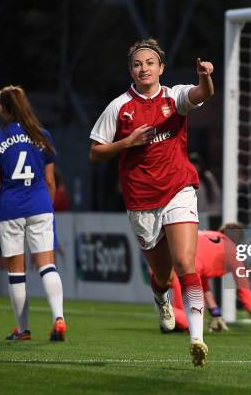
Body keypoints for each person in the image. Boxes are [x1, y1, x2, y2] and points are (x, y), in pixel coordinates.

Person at [89, 38, 214, 366]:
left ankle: (197, 339)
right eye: (137, 64)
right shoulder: (119, 107)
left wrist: (205, 77)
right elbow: (95, 152)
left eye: (149, 63)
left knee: (186, 263)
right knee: (162, 275)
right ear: (131, 70)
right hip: (141, 200)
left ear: (161, 68)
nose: (143, 68)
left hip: (179, 189)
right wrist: (127, 142)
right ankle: (161, 298)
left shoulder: (174, 97)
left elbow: (203, 94)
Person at [0, 85, 66, 342]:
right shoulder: (43, 136)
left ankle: (23, 330)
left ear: (4, 108)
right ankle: (58, 318)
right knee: (47, 265)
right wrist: (47, 208)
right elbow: (51, 181)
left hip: (10, 209)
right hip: (40, 204)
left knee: (16, 273)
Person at [160, 223, 251, 335]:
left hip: (172, 264)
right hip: (184, 271)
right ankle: (164, 305)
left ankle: (171, 322)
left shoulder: (208, 235)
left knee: (190, 319)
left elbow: (202, 280)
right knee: (192, 322)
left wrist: (215, 313)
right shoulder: (232, 252)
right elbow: (244, 291)